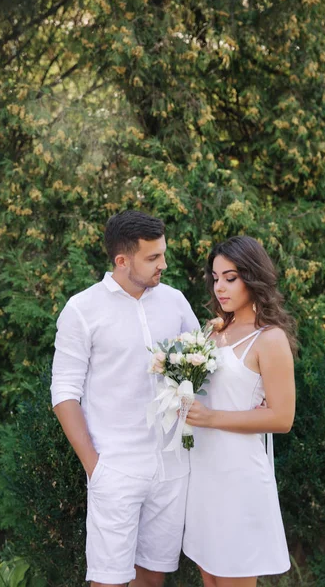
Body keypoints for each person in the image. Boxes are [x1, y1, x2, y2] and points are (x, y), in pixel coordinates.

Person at [50, 210, 199, 587]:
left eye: (163, 254)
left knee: (152, 575)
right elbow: (64, 392)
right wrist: (95, 466)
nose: (163, 264)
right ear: (122, 260)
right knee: (109, 580)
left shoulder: (175, 301)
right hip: (114, 466)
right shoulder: (82, 310)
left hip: (171, 465)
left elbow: (207, 364)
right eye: (153, 257)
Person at [183, 235, 296, 587]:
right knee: (209, 577)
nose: (220, 287)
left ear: (253, 276)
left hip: (238, 476)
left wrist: (213, 418)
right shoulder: (212, 331)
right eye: (215, 278)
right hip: (201, 473)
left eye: (230, 278)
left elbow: (281, 418)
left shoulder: (269, 338)